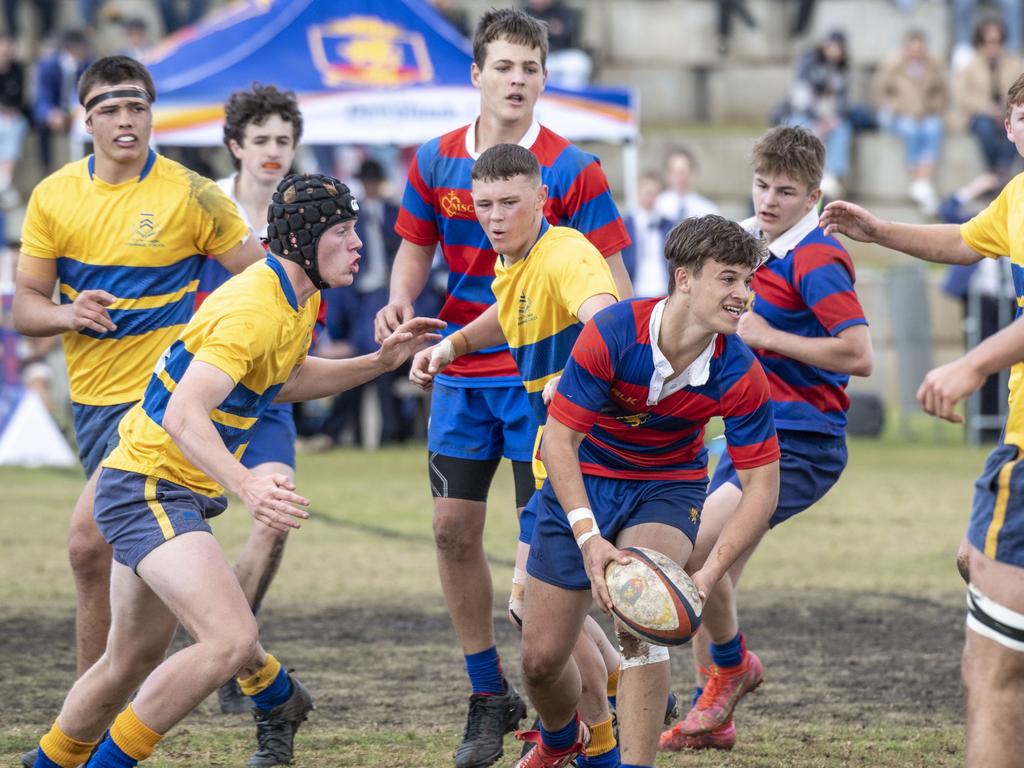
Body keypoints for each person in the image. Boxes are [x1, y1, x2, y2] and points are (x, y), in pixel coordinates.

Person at [24, 172, 445, 768]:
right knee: (231, 641)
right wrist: (247, 483)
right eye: (345, 232)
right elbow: (183, 411)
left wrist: (379, 361)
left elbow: (288, 378)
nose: (358, 244)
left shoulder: (299, 295)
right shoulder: (253, 307)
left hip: (158, 483)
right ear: (305, 240)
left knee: (128, 662)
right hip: (147, 485)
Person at [374, 9, 632, 768]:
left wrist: (616, 370)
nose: (517, 80)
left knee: (538, 578)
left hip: (543, 387)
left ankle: (605, 698)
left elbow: (611, 284)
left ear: (545, 78)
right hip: (463, 368)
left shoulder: (574, 167)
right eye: (504, 67)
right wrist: (403, 304)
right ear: (477, 75)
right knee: (452, 532)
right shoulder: (434, 160)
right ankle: (491, 694)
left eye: (530, 68)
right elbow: (413, 250)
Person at [12, 55, 265, 743]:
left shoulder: (193, 195)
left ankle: (83, 722)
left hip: (159, 408)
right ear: (85, 119)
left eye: (139, 107)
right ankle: (265, 682)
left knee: (87, 543)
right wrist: (67, 314)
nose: (127, 120)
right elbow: (25, 308)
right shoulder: (54, 196)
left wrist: (227, 352)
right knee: (129, 577)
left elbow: (266, 282)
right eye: (112, 108)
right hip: (92, 408)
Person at [517, 214, 780, 768]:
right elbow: (559, 444)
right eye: (728, 279)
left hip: (667, 485)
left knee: (643, 618)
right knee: (540, 661)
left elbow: (761, 489)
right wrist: (589, 538)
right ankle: (565, 737)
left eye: (748, 282)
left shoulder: (740, 372)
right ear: (684, 278)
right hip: (586, 478)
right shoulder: (614, 332)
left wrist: (707, 576)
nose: (743, 295)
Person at [819, 72, 1024, 768]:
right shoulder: (1016, 197)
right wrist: (879, 230)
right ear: (1008, 127)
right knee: (976, 558)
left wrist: (973, 364)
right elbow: (964, 241)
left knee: (994, 673)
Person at [409, 143, 625, 768]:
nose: (496, 216)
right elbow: (510, 314)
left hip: (586, 455)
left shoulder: (565, 254)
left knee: (537, 610)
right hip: (550, 456)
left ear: (541, 200)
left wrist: (579, 376)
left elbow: (605, 318)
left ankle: (590, 738)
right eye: (484, 205)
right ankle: (596, 716)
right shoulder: (516, 262)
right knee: (536, 609)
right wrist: (450, 347)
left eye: (510, 202)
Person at [660, 125, 874, 752]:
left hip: (802, 444)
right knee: (714, 572)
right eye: (761, 185)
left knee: (697, 554)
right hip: (748, 437)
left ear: (813, 196)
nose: (769, 200)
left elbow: (858, 355)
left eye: (786, 190)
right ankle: (716, 711)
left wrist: (769, 336)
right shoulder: (750, 247)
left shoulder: (818, 258)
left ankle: (730, 670)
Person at [193, 82, 311, 714]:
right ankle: (227, 649)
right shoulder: (207, 209)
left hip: (268, 398)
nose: (273, 151)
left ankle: (233, 654)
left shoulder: (303, 211)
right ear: (236, 145)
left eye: (283, 141)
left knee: (276, 513)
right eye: (261, 139)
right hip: (199, 391)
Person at [871, 29, 948, 215]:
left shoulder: (933, 66)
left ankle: (921, 182)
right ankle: (921, 182)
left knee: (934, 128)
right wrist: (898, 106)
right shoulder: (892, 65)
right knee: (911, 129)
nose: (916, 53)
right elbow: (879, 94)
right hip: (899, 115)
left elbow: (942, 93)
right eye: (912, 49)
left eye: (920, 49)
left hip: (926, 113)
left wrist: (931, 107)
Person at [952, 17, 1021, 186]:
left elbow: (1020, 90)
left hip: (1007, 112)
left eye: (996, 41)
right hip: (979, 114)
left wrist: (1005, 109)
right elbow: (962, 95)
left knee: (1016, 126)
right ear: (980, 42)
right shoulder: (970, 65)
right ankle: (998, 173)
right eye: (988, 41)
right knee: (984, 126)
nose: (992, 46)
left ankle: (998, 173)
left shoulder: (1014, 63)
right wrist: (988, 109)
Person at [32, 29, 92, 173]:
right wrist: (50, 113)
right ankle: (46, 168)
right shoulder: (48, 65)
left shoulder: (88, 65)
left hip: (79, 113)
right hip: (55, 110)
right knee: (41, 126)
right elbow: (43, 96)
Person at [622, 171, 675, 298]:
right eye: (647, 193)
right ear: (638, 193)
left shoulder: (670, 225)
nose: (651, 198)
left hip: (663, 288)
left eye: (655, 194)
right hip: (635, 288)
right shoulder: (626, 225)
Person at [653, 146, 719, 228]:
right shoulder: (656, 205)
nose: (679, 178)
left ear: (693, 173)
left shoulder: (707, 209)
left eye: (683, 172)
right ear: (667, 174)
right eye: (674, 172)